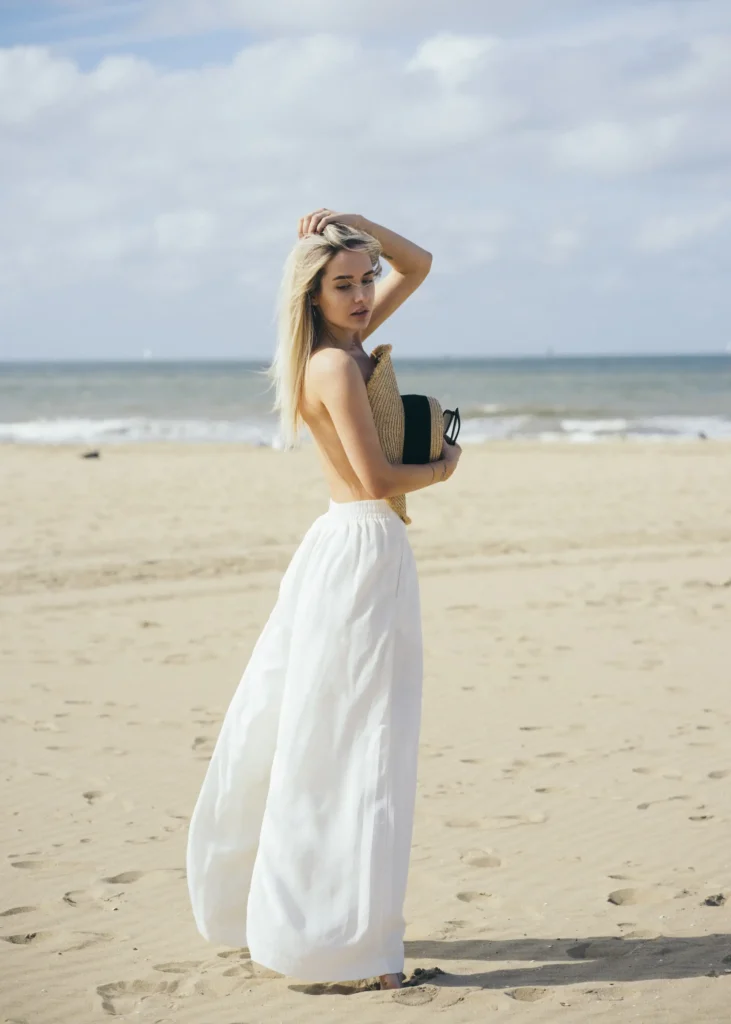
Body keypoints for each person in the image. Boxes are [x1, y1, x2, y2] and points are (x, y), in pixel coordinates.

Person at [186, 210, 462, 991]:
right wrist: (444, 466)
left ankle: (323, 932)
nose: (363, 293)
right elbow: (376, 479)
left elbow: (422, 263)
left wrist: (356, 224)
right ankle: (342, 952)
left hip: (353, 548)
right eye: (342, 284)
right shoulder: (336, 367)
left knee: (334, 742)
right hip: (363, 544)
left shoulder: (340, 348)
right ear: (311, 295)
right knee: (362, 752)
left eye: (365, 278)